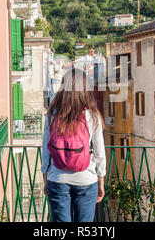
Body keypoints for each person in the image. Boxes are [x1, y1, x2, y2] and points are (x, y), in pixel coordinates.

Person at [41, 68, 106, 222]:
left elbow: (45, 150)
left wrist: (46, 179)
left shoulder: (52, 114)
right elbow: (99, 152)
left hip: (57, 178)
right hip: (86, 179)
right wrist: (101, 181)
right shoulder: (92, 115)